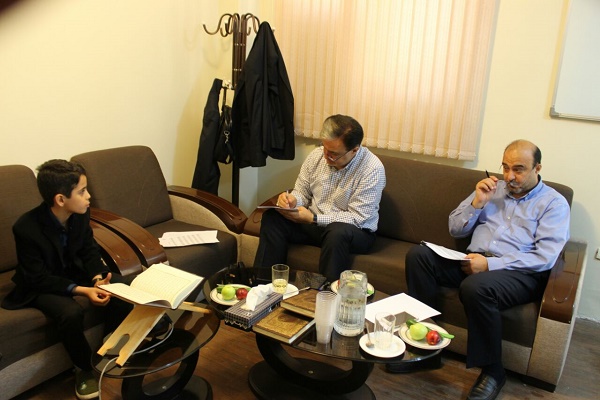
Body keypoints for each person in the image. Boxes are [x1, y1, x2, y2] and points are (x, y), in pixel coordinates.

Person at [405, 140, 570, 400]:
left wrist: (489, 265)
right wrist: (477, 203)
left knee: (476, 287)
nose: (509, 176)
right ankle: (426, 347)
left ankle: (493, 371)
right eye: (505, 167)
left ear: (537, 168)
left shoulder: (554, 204)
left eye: (518, 169)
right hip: (473, 260)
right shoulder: (492, 188)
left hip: (519, 273)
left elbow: (544, 257)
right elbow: (455, 229)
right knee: (419, 256)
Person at [1, 160, 134, 400]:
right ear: (61, 199)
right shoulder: (26, 227)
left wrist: (97, 278)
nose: (89, 196)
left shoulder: (80, 214)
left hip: (73, 271)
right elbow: (37, 277)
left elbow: (89, 249)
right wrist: (83, 290)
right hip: (41, 283)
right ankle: (83, 369)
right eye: (82, 191)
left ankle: (109, 344)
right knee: (70, 313)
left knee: (121, 286)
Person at [253, 114, 386, 281]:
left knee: (337, 232)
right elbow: (302, 191)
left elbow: (358, 218)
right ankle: (262, 285)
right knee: (273, 218)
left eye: (333, 154)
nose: (326, 156)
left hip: (355, 231)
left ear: (354, 150)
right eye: (324, 148)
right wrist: (292, 200)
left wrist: (313, 218)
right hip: (315, 225)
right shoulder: (317, 156)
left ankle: (326, 293)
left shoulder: (372, 169)